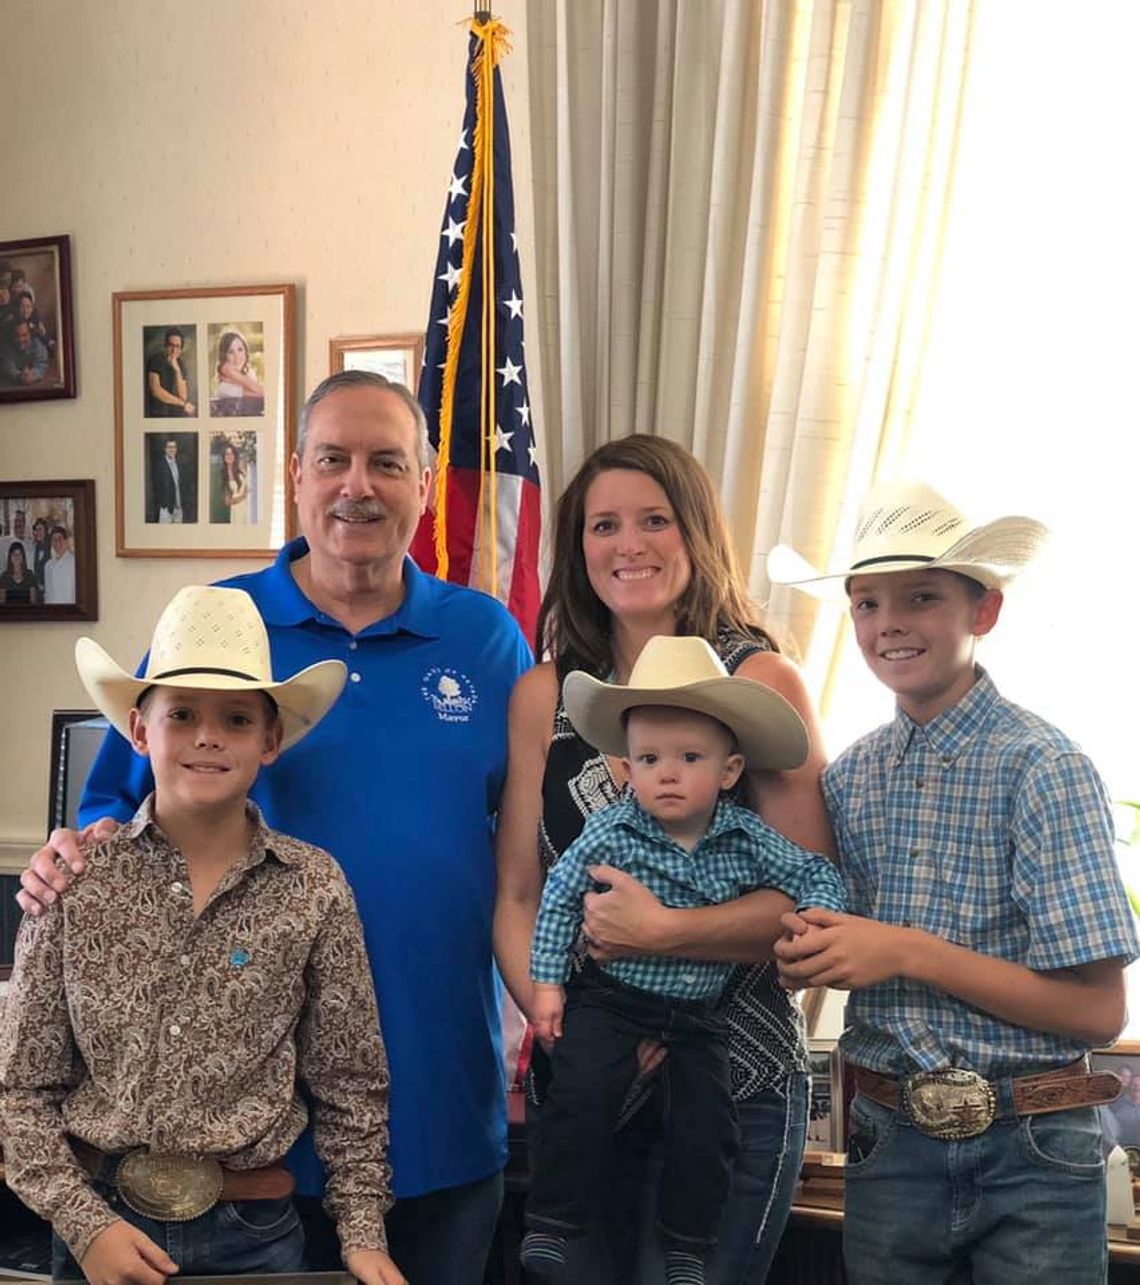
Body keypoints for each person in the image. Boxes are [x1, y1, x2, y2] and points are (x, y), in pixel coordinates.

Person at [18, 369, 533, 1285]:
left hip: (441, 1097)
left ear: (422, 480)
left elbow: (529, 856)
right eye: (332, 458)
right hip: (243, 1154)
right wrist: (66, 860)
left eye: (386, 462)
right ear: (295, 472)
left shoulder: (487, 640)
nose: (357, 484)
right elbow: (110, 813)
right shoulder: (218, 629)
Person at [770, 479, 1138, 1285]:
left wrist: (903, 950)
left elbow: (1097, 1008)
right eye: (866, 604)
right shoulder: (851, 778)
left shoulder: (1044, 768)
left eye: (921, 597)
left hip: (1032, 1146)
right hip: (889, 1140)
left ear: (985, 611)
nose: (889, 622)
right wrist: (810, 957)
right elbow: (836, 940)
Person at [494, 434, 835, 1284]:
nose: (629, 544)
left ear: (696, 532)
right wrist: (564, 1027)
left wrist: (663, 933)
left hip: (734, 1082)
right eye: (603, 524)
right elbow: (517, 896)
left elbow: (813, 909)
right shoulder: (547, 696)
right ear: (578, 548)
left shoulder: (762, 683)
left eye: (654, 519)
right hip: (590, 1085)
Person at [0, 584, 404, 1284]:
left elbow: (350, 1084)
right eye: (181, 713)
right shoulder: (73, 882)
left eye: (237, 718)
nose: (207, 735)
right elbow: (21, 1090)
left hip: (253, 1232)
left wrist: (362, 1232)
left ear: (270, 739)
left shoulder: (313, 887)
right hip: (100, 1221)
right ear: (138, 731)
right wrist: (83, 1222)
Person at [522, 635, 846, 1284]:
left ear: (728, 770)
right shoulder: (612, 829)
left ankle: (687, 1247)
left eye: (688, 757)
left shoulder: (746, 835)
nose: (667, 773)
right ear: (627, 766)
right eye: (649, 758)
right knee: (578, 1096)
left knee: (709, 1130)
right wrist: (548, 984)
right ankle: (553, 1222)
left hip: (702, 1015)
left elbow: (812, 871)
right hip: (612, 1000)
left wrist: (819, 913)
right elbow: (556, 896)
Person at [145, 328, 196, 417]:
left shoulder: (180, 364)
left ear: (181, 349)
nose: (174, 350)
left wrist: (177, 370)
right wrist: (183, 404)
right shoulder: (156, 360)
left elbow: (183, 396)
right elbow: (156, 391)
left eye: (177, 346)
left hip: (176, 415)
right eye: (171, 345)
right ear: (165, 345)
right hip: (158, 414)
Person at [211, 330, 265, 414]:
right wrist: (230, 372)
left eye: (240, 349)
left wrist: (232, 377)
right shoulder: (224, 388)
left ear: (245, 351)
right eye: (231, 352)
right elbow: (261, 392)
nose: (237, 357)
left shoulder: (249, 373)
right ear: (224, 356)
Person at [152, 437, 195, 524]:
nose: (171, 449)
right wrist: (163, 504)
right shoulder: (159, 465)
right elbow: (156, 487)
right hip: (166, 510)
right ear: (165, 449)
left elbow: (184, 485)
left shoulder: (180, 464)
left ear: (176, 449)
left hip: (179, 509)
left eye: (174, 447)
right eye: (169, 447)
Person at [0, 317, 49, 386]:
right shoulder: (4, 348)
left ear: (30, 334)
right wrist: (20, 376)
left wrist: (32, 375)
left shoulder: (38, 345)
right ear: (11, 336)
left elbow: (41, 366)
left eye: (24, 335)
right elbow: (8, 368)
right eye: (16, 335)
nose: (20, 339)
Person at [42, 525, 76, 605]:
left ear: (66, 541)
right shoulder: (48, 565)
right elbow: (47, 593)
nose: (57, 542)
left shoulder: (73, 562)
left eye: (60, 539)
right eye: (54, 539)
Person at [0, 539, 40, 604]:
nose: (17, 557)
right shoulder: (4, 576)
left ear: (23, 557)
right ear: (10, 557)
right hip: (9, 613)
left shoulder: (30, 575)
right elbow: (2, 602)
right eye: (14, 554)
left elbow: (33, 601)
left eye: (19, 554)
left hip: (27, 613)